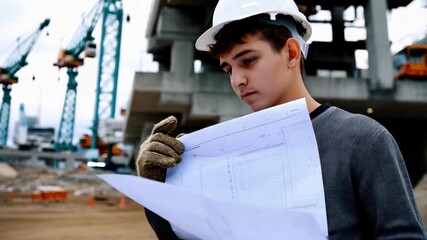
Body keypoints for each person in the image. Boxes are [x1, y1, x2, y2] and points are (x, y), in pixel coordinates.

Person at [136, 0, 427, 239]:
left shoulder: (362, 140)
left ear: (291, 52)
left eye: (248, 60)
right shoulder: (224, 153)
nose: (237, 80)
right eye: (228, 69)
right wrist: (158, 190)